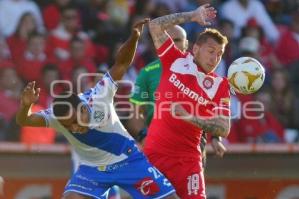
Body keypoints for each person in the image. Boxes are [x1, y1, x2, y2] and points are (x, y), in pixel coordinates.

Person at [16, 18, 179, 199]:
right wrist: (25, 106)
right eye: (68, 126)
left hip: (128, 160)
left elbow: (121, 64)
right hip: (92, 169)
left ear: (85, 109)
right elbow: (24, 120)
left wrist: (134, 37)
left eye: (75, 122)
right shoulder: (56, 116)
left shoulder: (99, 96)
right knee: (70, 197)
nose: (74, 128)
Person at [143, 4, 231, 198]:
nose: (215, 58)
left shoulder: (220, 85)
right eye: (211, 51)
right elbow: (155, 26)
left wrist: (190, 117)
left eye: (220, 54)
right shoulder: (174, 59)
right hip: (155, 155)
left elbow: (224, 128)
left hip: (188, 161)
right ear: (196, 48)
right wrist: (191, 15)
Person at [127, 25, 226, 160]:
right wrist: (144, 135)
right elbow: (135, 114)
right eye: (169, 39)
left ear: (187, 44)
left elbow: (214, 108)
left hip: (192, 143)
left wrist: (215, 137)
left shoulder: (200, 71)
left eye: (177, 40)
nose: (172, 43)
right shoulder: (147, 72)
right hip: (158, 142)